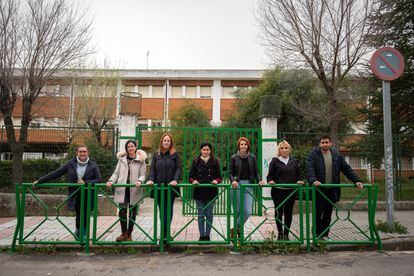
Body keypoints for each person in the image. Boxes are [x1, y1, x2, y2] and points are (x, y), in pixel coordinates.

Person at [34, 145, 102, 239]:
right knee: (79, 214)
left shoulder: (93, 165)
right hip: (76, 193)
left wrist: (86, 182)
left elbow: (99, 180)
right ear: (77, 153)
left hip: (88, 194)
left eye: (84, 152)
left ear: (88, 153)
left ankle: (85, 233)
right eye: (80, 152)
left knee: (86, 214)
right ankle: (78, 230)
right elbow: (57, 172)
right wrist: (41, 180)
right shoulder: (71, 163)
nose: (82, 153)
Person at [306, 135, 363, 240]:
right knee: (317, 214)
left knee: (328, 214)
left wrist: (357, 180)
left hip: (332, 190)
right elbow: (309, 169)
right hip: (318, 189)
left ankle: (324, 235)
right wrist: (313, 180)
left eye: (326, 142)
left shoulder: (336, 155)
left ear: (330, 143)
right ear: (319, 144)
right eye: (322, 142)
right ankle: (315, 235)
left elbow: (346, 168)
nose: (325, 144)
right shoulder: (313, 154)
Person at [106, 140, 147, 242]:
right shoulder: (122, 160)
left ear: (135, 147)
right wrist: (111, 180)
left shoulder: (141, 160)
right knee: (122, 212)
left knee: (132, 212)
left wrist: (140, 180)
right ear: (126, 148)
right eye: (128, 147)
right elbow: (116, 173)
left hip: (134, 189)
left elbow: (143, 174)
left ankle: (129, 234)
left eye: (132, 146)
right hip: (122, 189)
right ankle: (123, 233)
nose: (130, 148)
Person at [146, 133, 182, 244]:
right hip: (159, 187)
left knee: (169, 211)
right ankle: (163, 234)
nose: (166, 142)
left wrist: (175, 179)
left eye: (168, 141)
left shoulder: (175, 155)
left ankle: (167, 234)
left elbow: (179, 169)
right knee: (162, 211)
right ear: (161, 142)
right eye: (164, 141)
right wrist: (151, 179)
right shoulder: (156, 155)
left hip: (170, 187)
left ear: (171, 143)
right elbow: (152, 170)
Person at [267, 140, 304, 241]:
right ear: (279, 150)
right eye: (282, 148)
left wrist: (299, 181)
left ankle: (286, 234)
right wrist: (270, 181)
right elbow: (270, 175)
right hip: (278, 191)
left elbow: (298, 175)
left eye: (286, 148)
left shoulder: (293, 161)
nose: (284, 150)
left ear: (289, 150)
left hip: (290, 191)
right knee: (278, 212)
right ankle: (280, 233)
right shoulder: (275, 161)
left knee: (288, 213)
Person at [229, 137, 264, 238]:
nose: (243, 146)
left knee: (248, 211)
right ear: (239, 146)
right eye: (241, 144)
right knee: (238, 211)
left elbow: (256, 171)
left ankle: (235, 229)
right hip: (237, 185)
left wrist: (260, 180)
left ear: (248, 146)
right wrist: (233, 181)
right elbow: (230, 172)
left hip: (248, 185)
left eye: (245, 144)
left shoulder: (252, 157)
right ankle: (237, 235)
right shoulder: (233, 157)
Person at [189, 142, 222, 241]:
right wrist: (193, 181)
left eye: (207, 150)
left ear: (210, 151)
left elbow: (219, 177)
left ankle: (207, 235)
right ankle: (201, 235)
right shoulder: (196, 161)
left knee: (209, 214)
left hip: (211, 192)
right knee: (200, 214)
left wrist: (216, 181)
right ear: (201, 150)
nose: (205, 151)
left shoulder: (215, 161)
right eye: (204, 149)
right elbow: (190, 177)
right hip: (199, 192)